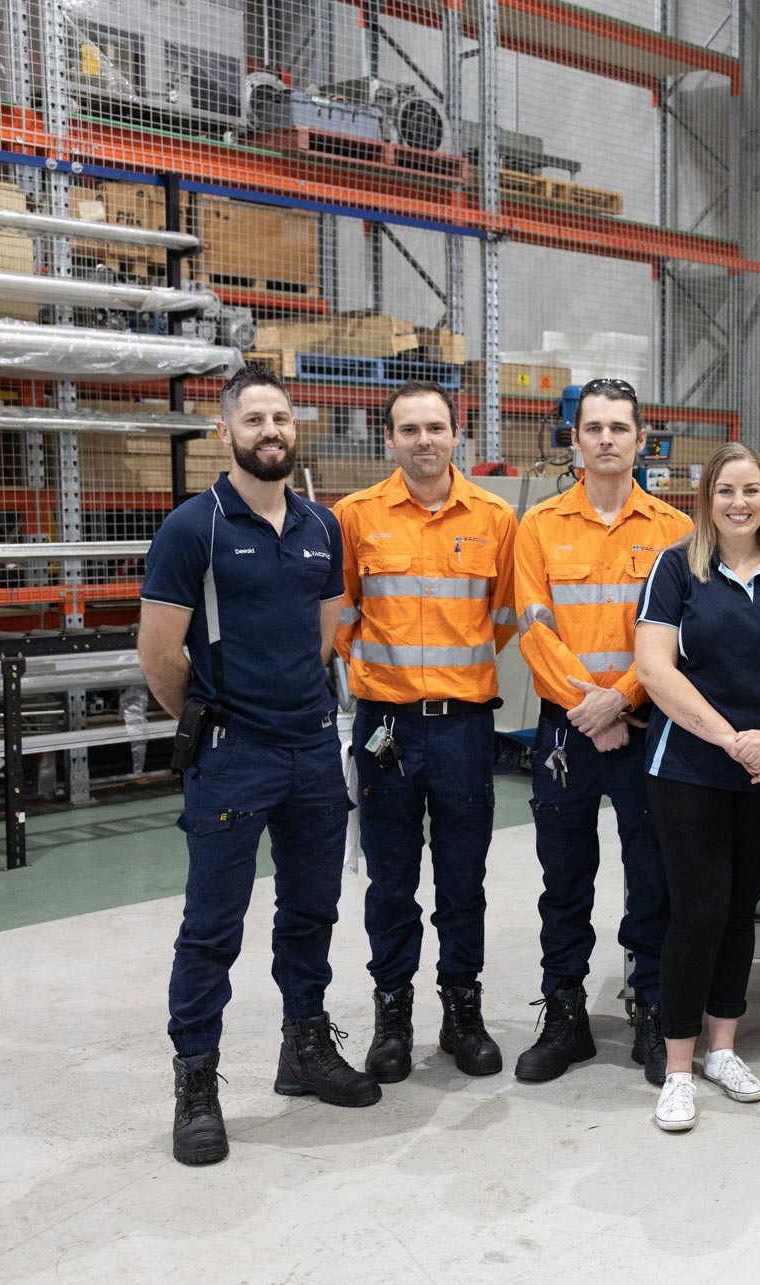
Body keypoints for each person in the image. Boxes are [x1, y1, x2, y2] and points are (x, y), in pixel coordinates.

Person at [138, 365, 376, 1167]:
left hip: (312, 748)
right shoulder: (192, 528)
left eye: (280, 416)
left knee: (311, 912)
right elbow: (159, 655)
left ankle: (303, 1047)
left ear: (293, 427)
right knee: (211, 929)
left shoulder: (321, 525)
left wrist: (293, 709)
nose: (270, 430)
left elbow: (321, 635)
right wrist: (216, 721)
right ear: (226, 430)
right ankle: (196, 1083)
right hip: (233, 753)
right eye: (254, 418)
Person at [635, 442, 760, 1132]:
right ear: (707, 498)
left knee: (738, 911)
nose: (739, 502)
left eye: (750, 489)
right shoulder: (676, 567)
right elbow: (656, 669)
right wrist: (730, 738)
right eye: (726, 490)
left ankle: (724, 1049)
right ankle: (678, 1067)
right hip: (691, 769)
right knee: (695, 910)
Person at [332, 380, 519, 1085]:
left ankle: (461, 1012)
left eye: (435, 427)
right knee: (390, 880)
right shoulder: (355, 516)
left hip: (465, 726)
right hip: (385, 725)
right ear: (389, 440)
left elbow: (502, 617)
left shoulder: (495, 517)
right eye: (408, 429)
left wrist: (447, 674)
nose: (423, 440)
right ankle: (392, 1016)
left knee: (463, 880)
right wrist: (384, 674)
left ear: (456, 432)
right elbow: (341, 610)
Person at [510, 378, 691, 1086]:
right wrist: (592, 709)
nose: (608, 439)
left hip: (650, 724)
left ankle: (650, 1003)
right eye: (595, 428)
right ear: (576, 439)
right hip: (566, 730)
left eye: (621, 427)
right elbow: (534, 629)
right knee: (564, 877)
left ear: (642, 440)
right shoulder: (539, 527)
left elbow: (680, 636)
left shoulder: (676, 531)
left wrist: (619, 702)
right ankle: (565, 1013)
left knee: (653, 873)